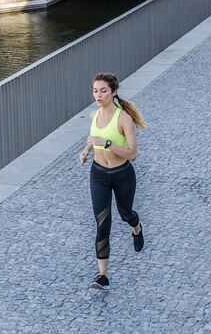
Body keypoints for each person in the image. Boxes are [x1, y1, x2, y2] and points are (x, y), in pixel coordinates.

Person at [78, 72, 147, 290]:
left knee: (125, 213)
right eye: (95, 91)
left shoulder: (123, 119)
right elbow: (93, 137)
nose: (98, 95)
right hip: (98, 174)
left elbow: (132, 153)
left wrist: (106, 143)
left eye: (103, 91)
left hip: (122, 174)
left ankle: (136, 228)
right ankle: (103, 276)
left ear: (114, 92)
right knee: (102, 223)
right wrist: (87, 150)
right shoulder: (93, 115)